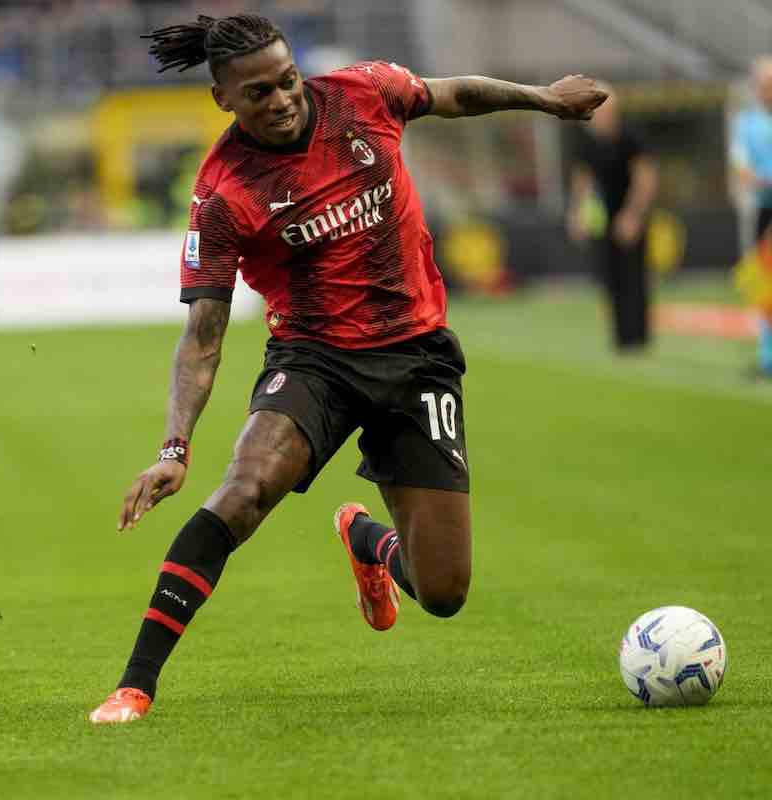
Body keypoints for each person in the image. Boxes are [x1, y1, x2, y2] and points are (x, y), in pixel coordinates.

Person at [89, 13, 607, 724]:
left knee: (444, 592)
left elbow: (453, 93)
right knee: (242, 490)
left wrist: (544, 98)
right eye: (259, 94)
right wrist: (174, 448)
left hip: (418, 354)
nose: (281, 100)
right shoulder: (223, 194)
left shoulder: (364, 94)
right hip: (315, 360)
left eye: (287, 81)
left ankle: (368, 539)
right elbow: (203, 336)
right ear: (224, 100)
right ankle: (134, 686)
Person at [568, 85, 659, 353]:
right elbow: (582, 181)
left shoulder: (631, 138)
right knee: (611, 278)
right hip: (604, 218)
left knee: (635, 277)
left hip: (630, 214)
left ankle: (639, 338)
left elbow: (645, 178)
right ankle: (621, 339)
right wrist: (578, 214)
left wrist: (632, 215)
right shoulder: (589, 142)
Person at [730, 56, 772, 377]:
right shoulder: (746, 123)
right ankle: (767, 355)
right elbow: (742, 168)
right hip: (765, 210)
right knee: (763, 285)